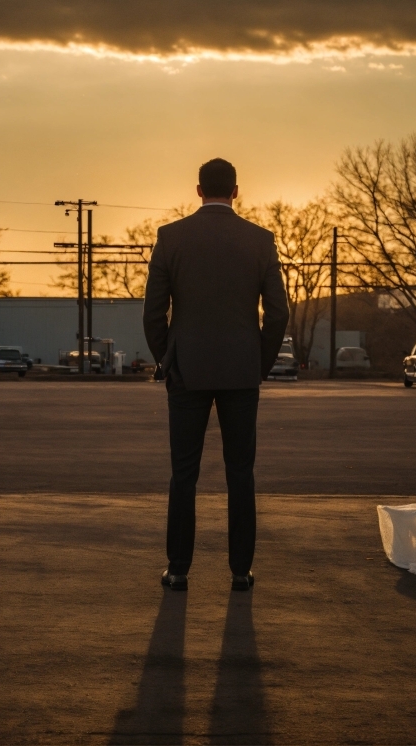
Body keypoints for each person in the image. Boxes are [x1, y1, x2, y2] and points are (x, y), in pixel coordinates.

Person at [143, 158, 289, 591]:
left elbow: (153, 312)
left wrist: (168, 358)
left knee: (183, 473)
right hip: (241, 371)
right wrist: (257, 363)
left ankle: (179, 569)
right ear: (236, 191)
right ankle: (240, 572)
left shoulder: (171, 238)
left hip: (187, 370)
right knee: (240, 473)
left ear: (198, 190)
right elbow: (278, 314)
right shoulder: (261, 241)